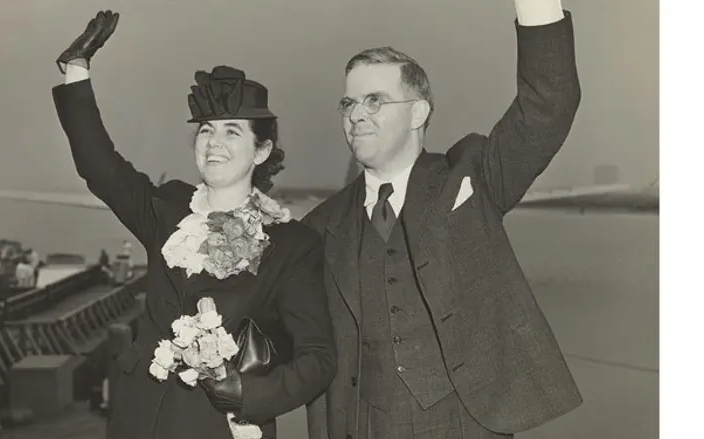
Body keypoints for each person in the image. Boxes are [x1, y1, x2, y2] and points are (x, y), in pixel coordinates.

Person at [302, 1, 582, 438]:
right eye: (349, 103)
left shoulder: (470, 178)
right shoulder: (319, 226)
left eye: (375, 101)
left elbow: (549, 103)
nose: (356, 115)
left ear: (418, 112)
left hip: (464, 424)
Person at [52, 10, 336, 439]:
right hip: (137, 421)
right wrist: (77, 68)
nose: (214, 144)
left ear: (262, 151)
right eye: (206, 130)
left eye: (232, 132)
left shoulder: (293, 245)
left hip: (219, 428)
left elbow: (318, 358)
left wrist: (247, 394)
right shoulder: (168, 210)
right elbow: (99, 167)